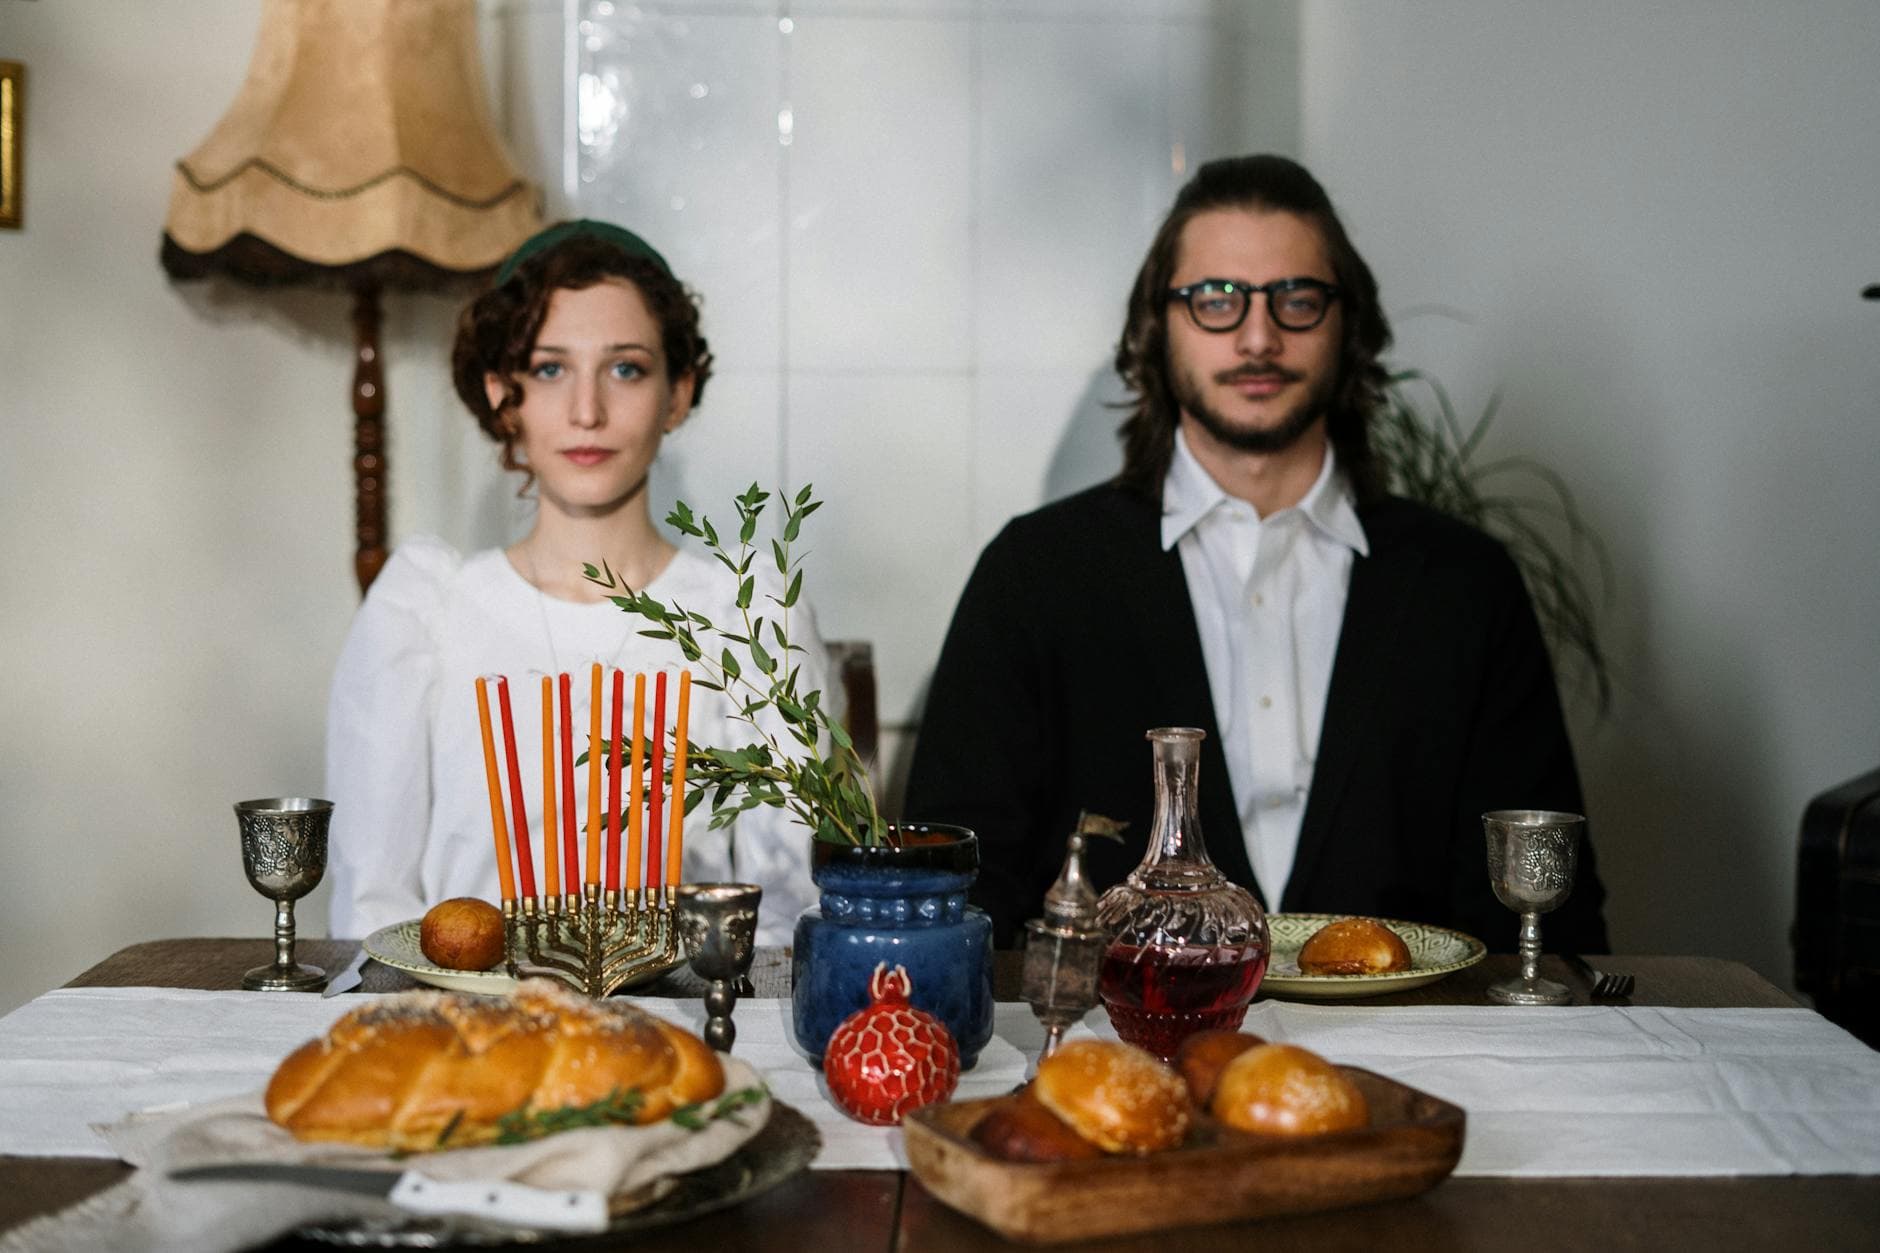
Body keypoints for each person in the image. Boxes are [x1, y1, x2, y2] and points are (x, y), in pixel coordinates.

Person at [905, 156, 1608, 953]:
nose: (1258, 336)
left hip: (1418, 1032)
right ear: (1157, 326)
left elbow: (1552, 921)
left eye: (1297, 300)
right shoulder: (1033, 575)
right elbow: (953, 897)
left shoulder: (1467, 586)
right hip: (1120, 1029)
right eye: (1216, 299)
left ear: (1348, 325)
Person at [326, 220, 825, 947]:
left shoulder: (746, 619)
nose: (587, 412)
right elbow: (373, 907)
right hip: (468, 1009)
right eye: (550, 369)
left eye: (626, 369)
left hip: (684, 1008)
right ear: (503, 395)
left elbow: (787, 907)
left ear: (677, 394)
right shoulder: (427, 613)